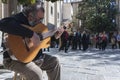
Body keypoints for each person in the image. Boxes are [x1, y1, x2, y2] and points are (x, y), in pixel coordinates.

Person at [0, 1, 60, 80]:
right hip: (13, 60)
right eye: (39, 19)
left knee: (54, 62)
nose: (40, 22)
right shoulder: (18, 18)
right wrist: (31, 34)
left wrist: (54, 37)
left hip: (35, 58)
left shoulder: (37, 25)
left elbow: (41, 40)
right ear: (30, 15)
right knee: (37, 73)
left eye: (42, 19)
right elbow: (2, 24)